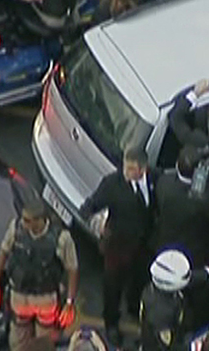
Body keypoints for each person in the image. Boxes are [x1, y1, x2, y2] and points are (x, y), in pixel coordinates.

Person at [79, 147, 158, 346]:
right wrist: (97, 225)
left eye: (131, 169)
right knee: (113, 285)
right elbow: (88, 207)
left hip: (143, 245)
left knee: (140, 279)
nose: (126, 172)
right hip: (118, 246)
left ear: (143, 169)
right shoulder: (111, 185)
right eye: (125, 167)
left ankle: (133, 307)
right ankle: (111, 322)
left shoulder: (154, 178)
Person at [0, 200, 79, 351]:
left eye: (27, 220)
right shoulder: (16, 228)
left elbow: (73, 269)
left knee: (43, 342)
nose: (23, 223)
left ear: (39, 220)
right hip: (20, 296)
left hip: (46, 299)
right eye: (23, 218)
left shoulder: (62, 238)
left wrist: (69, 303)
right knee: (18, 342)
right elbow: (3, 251)